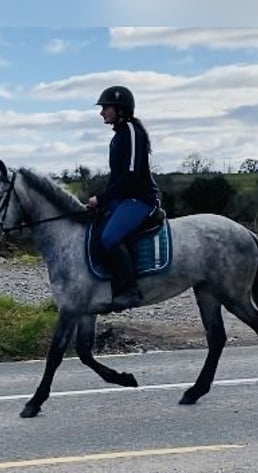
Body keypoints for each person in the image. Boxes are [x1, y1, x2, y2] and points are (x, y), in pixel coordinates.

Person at [88, 85, 161, 311]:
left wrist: (102, 198)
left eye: (105, 108)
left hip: (140, 200)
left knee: (109, 238)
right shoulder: (119, 135)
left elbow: (130, 176)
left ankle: (130, 290)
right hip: (124, 199)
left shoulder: (130, 131)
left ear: (119, 109)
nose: (102, 113)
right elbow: (116, 178)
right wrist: (103, 201)